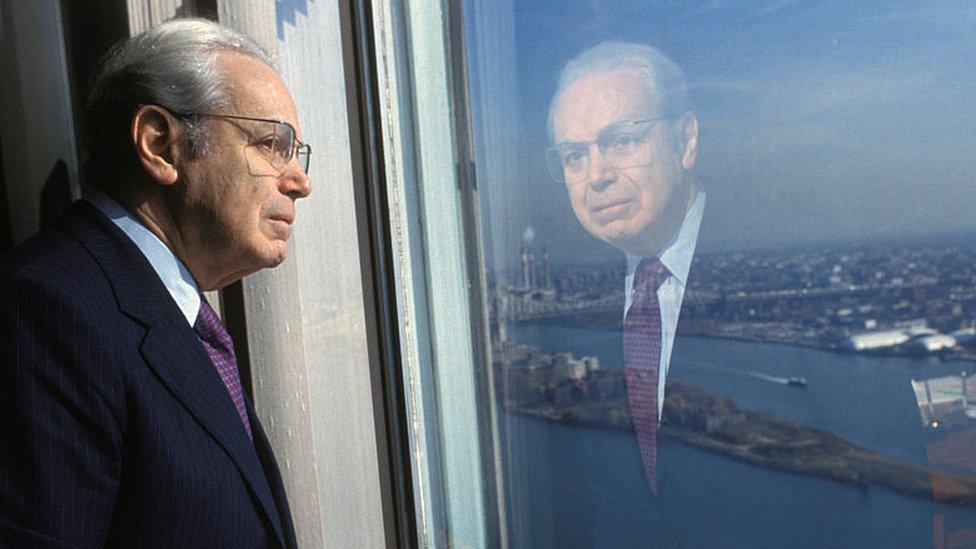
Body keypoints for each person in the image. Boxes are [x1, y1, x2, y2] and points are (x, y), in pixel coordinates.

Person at [0, 18, 311, 548]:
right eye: (270, 143)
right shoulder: (46, 311)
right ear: (159, 144)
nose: (300, 182)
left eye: (296, 153)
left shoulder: (176, 315)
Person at [547, 40, 702, 495]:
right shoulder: (594, 280)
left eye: (622, 140)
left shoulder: (750, 251)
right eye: (575, 155)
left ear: (686, 140)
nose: (597, 174)